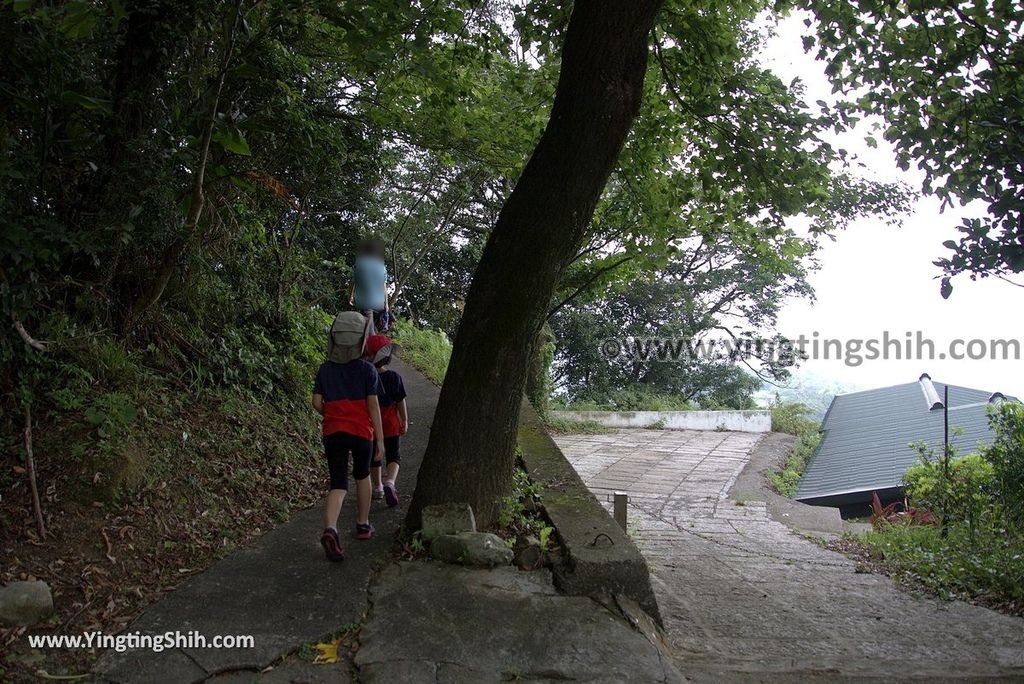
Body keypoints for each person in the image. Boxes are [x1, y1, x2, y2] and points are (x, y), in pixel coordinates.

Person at [312, 312, 385, 562]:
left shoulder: (325, 369)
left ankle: (331, 528)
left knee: (338, 483)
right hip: (362, 432)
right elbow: (374, 406)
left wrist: (332, 413)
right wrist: (381, 440)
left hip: (333, 432)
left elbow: (316, 402)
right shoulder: (367, 370)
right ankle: (363, 525)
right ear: (362, 340)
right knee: (362, 476)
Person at [365, 335, 408, 507]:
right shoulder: (394, 377)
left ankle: (378, 487)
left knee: (375, 457)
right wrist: (404, 420)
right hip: (391, 421)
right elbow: (400, 401)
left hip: (372, 422)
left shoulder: (367, 377)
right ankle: (390, 481)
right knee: (393, 455)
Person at [349, 239, 389, 333]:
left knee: (369, 332)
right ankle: (373, 344)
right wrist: (386, 304)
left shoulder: (360, 264)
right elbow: (384, 286)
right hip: (379, 304)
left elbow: (353, 282)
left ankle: (373, 345)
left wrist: (350, 296)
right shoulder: (381, 266)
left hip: (365, 302)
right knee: (371, 328)